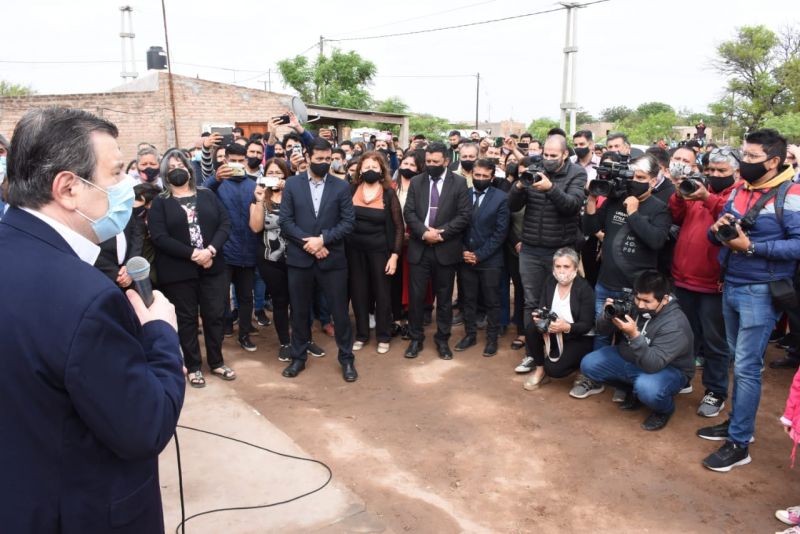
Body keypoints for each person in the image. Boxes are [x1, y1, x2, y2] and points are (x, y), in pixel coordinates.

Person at [0, 107, 184, 532]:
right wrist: (160, 333)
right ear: (68, 188)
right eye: (115, 173)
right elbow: (145, 426)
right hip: (79, 511)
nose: (127, 187)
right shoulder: (86, 298)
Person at [698, 128, 800, 472]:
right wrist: (719, 230)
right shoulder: (742, 189)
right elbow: (719, 231)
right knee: (737, 362)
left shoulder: (792, 193)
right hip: (732, 283)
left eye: (752, 157)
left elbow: (798, 244)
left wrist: (752, 247)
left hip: (760, 290)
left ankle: (739, 442)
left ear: (773, 161)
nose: (745, 161)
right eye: (744, 154)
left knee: (746, 367)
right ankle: (736, 424)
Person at [148, 148, 233, 387]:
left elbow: (225, 223)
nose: (177, 171)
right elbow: (159, 236)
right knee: (187, 320)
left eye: (181, 166)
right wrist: (194, 254)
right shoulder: (160, 202)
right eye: (171, 168)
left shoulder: (207, 195)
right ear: (165, 174)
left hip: (213, 266)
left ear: (189, 169)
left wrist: (210, 251)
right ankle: (194, 366)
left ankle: (216, 361)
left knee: (214, 315)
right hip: (178, 272)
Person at [668, 146, 740, 417]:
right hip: (684, 276)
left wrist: (707, 197)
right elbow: (676, 215)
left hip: (713, 282)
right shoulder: (699, 189)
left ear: (737, 172)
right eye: (710, 169)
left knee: (714, 342)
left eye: (722, 170)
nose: (715, 175)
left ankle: (715, 391)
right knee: (685, 335)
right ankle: (683, 377)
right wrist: (679, 194)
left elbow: (733, 216)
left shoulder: (738, 194)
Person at [279, 138, 358, 382]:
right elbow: (286, 222)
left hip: (332, 260)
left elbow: (348, 222)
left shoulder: (341, 186)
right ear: (307, 157)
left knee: (340, 313)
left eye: (328, 159)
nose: (324, 163)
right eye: (319, 158)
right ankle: (298, 357)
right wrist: (311, 245)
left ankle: (347, 359)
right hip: (300, 260)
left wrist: (322, 240)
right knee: (299, 311)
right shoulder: (292, 184)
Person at [508, 135, 587, 372]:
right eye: (546, 155)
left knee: (560, 301)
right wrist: (519, 186)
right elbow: (512, 205)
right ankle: (532, 354)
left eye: (554, 155)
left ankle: (559, 350)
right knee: (532, 302)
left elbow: (572, 206)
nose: (549, 159)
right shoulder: (535, 167)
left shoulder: (577, 173)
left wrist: (551, 188)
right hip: (531, 249)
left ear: (565, 154)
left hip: (560, 251)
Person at [580, 271, 694, 431]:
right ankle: (634, 391)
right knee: (589, 364)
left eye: (647, 301)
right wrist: (606, 316)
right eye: (638, 298)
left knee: (647, 388)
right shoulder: (633, 304)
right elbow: (602, 330)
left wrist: (634, 335)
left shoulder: (675, 324)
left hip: (667, 369)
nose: (640, 305)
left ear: (664, 299)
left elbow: (653, 364)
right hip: (632, 358)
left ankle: (663, 410)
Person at [403, 142, 471, 359]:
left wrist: (441, 234)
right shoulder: (417, 181)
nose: (431, 165)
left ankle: (442, 340)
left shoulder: (459, 183)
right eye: (428, 161)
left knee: (444, 299)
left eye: (435, 161)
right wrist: (424, 233)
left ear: (446, 161)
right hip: (419, 248)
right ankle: (415, 339)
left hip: (446, 249)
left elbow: (464, 215)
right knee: (416, 298)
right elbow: (409, 212)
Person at [203, 142, 260, 352]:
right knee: (221, 296)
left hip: (248, 250)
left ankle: (244, 334)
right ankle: (224, 327)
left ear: (245, 161)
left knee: (246, 297)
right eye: (232, 161)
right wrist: (215, 178)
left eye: (240, 161)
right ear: (225, 160)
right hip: (224, 251)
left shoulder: (253, 185)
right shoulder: (218, 183)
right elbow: (201, 194)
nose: (236, 164)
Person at [347, 152, 403, 354]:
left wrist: (394, 256)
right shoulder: (351, 189)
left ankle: (383, 335)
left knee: (382, 294)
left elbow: (399, 227)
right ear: (360, 170)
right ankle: (362, 335)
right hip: (355, 252)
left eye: (374, 167)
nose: (370, 170)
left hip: (380, 251)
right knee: (359, 293)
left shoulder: (388, 193)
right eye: (366, 167)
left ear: (382, 170)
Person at [455, 158, 509, 357]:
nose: (480, 178)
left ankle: (492, 339)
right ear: (472, 174)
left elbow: (500, 233)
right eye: (477, 175)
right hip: (465, 258)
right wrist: (462, 251)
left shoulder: (501, 198)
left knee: (492, 301)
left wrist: (479, 255)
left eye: (485, 176)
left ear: (492, 177)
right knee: (468, 300)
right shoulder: (463, 195)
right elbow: (457, 226)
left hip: (490, 260)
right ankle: (470, 335)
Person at [523, 248, 595, 389]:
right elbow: (542, 307)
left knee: (554, 370)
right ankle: (540, 370)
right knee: (531, 328)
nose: (562, 271)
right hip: (555, 332)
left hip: (578, 337)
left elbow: (586, 325)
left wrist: (566, 327)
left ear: (575, 268)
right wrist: (539, 317)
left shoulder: (584, 288)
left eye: (566, 266)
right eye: (558, 266)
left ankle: (580, 367)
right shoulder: (550, 281)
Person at [250, 157, 292, 362]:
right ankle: (285, 342)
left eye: (278, 173)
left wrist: (289, 189)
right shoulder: (260, 198)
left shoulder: (294, 195)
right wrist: (259, 199)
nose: (274, 177)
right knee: (280, 301)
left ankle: (305, 339)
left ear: (286, 175)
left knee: (301, 300)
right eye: (271, 173)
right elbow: (255, 227)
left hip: (296, 258)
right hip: (270, 259)